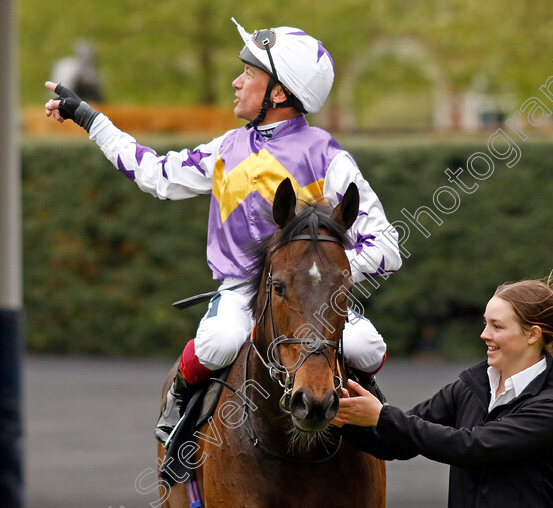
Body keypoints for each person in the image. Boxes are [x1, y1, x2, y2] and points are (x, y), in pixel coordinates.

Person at [43, 19, 402, 445]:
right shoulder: (225, 149)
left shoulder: (328, 156)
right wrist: (90, 119)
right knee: (218, 342)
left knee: (368, 347)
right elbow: (154, 175)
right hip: (238, 292)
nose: (236, 81)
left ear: (279, 92)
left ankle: (375, 427)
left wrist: (318, 277)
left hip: (310, 301)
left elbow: (387, 247)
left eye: (248, 73)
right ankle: (179, 420)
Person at [332, 277, 553, 508]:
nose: (484, 334)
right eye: (486, 323)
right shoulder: (472, 385)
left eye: (497, 326)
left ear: (532, 334)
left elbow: (470, 447)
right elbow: (395, 442)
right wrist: (338, 410)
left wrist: (381, 414)